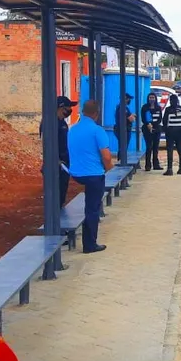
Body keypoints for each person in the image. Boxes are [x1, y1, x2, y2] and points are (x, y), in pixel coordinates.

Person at [67, 100, 113, 254]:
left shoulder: (72, 129)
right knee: (92, 209)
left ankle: (88, 241)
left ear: (83, 112)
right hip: (93, 175)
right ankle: (90, 244)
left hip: (75, 174)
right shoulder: (97, 130)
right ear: (96, 114)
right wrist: (109, 170)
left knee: (90, 207)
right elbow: (106, 156)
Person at [39, 96, 77, 208]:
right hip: (56, 164)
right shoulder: (50, 123)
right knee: (54, 197)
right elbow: (47, 143)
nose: (70, 110)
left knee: (61, 195)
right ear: (61, 108)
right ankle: (54, 223)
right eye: (68, 108)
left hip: (63, 164)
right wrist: (56, 160)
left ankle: (59, 218)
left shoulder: (62, 122)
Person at [161, 94, 181, 175]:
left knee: (170, 150)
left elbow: (164, 121)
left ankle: (170, 169)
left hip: (170, 131)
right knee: (180, 149)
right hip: (180, 130)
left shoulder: (168, 109)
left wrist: (165, 129)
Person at [140, 93, 164, 171]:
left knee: (155, 147)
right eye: (150, 97)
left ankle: (156, 164)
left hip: (157, 129)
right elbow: (143, 118)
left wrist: (153, 125)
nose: (152, 99)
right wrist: (148, 124)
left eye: (153, 97)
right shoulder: (145, 107)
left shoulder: (158, 108)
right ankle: (148, 165)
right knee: (149, 147)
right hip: (147, 129)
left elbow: (160, 119)